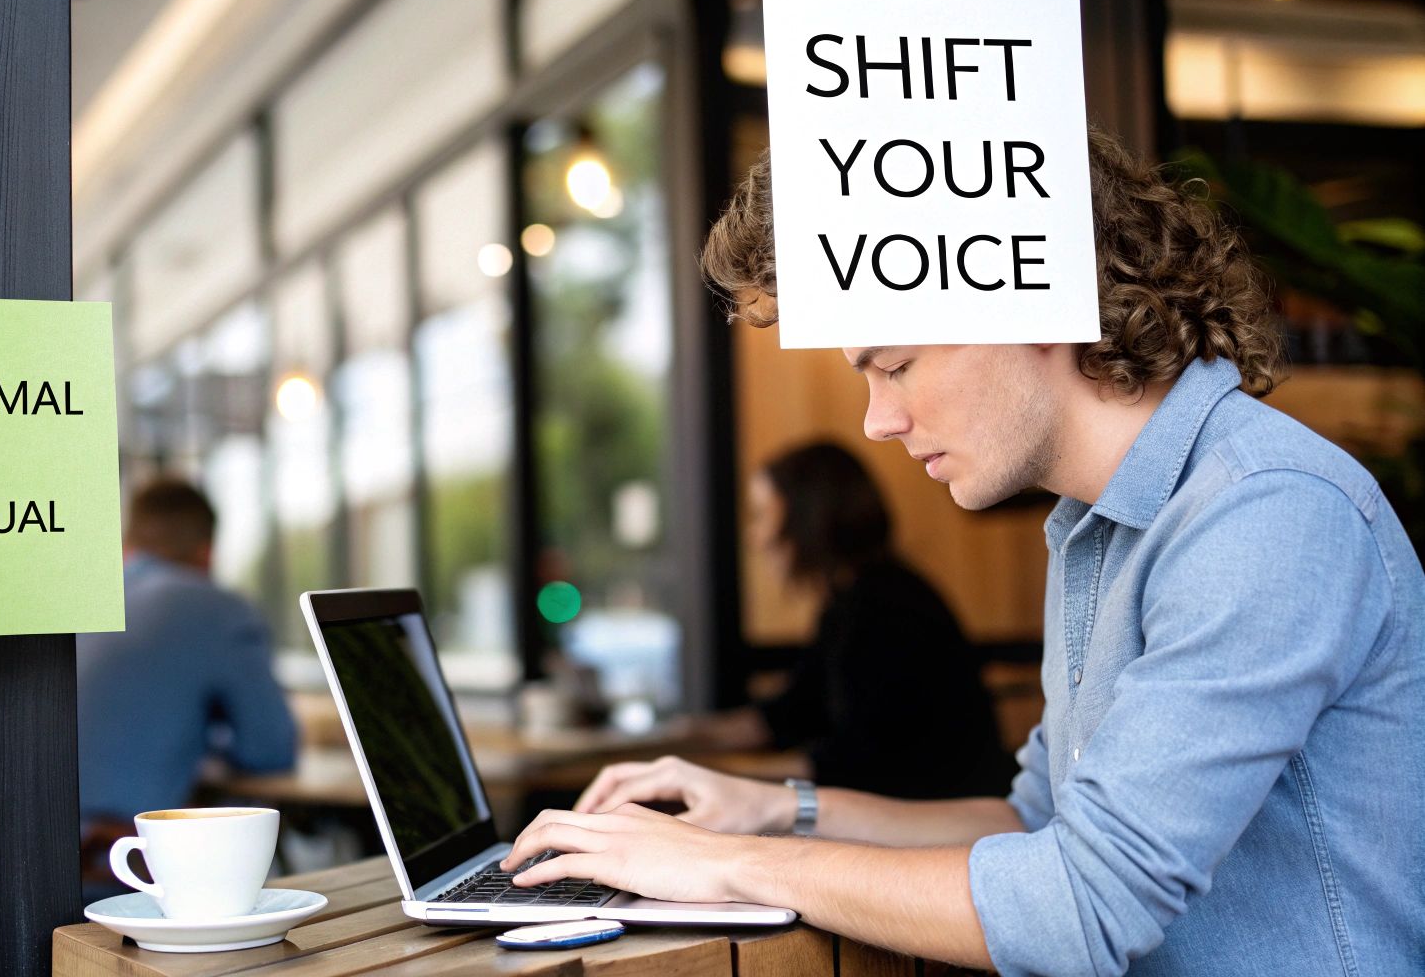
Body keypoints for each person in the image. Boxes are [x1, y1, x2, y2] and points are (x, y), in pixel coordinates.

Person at [496, 130, 1425, 976]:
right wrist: (773, 807)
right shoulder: (1096, 525)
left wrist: (728, 864)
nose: (880, 419)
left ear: (1041, 302)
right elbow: (1028, 824)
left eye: (894, 364)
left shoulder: (1262, 511)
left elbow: (1083, 905)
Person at [715, 440, 1011, 798]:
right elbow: (790, 712)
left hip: (942, 815)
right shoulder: (851, 601)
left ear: (807, 514)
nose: (755, 536)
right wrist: (680, 740)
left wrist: (725, 779)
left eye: (763, 514)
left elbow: (860, 760)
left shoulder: (885, 608)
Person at [76, 477, 297, 829]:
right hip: (122, 863)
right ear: (206, 552)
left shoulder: (77, 602)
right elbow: (269, 751)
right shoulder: (220, 611)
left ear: (127, 545)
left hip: (32, 857)